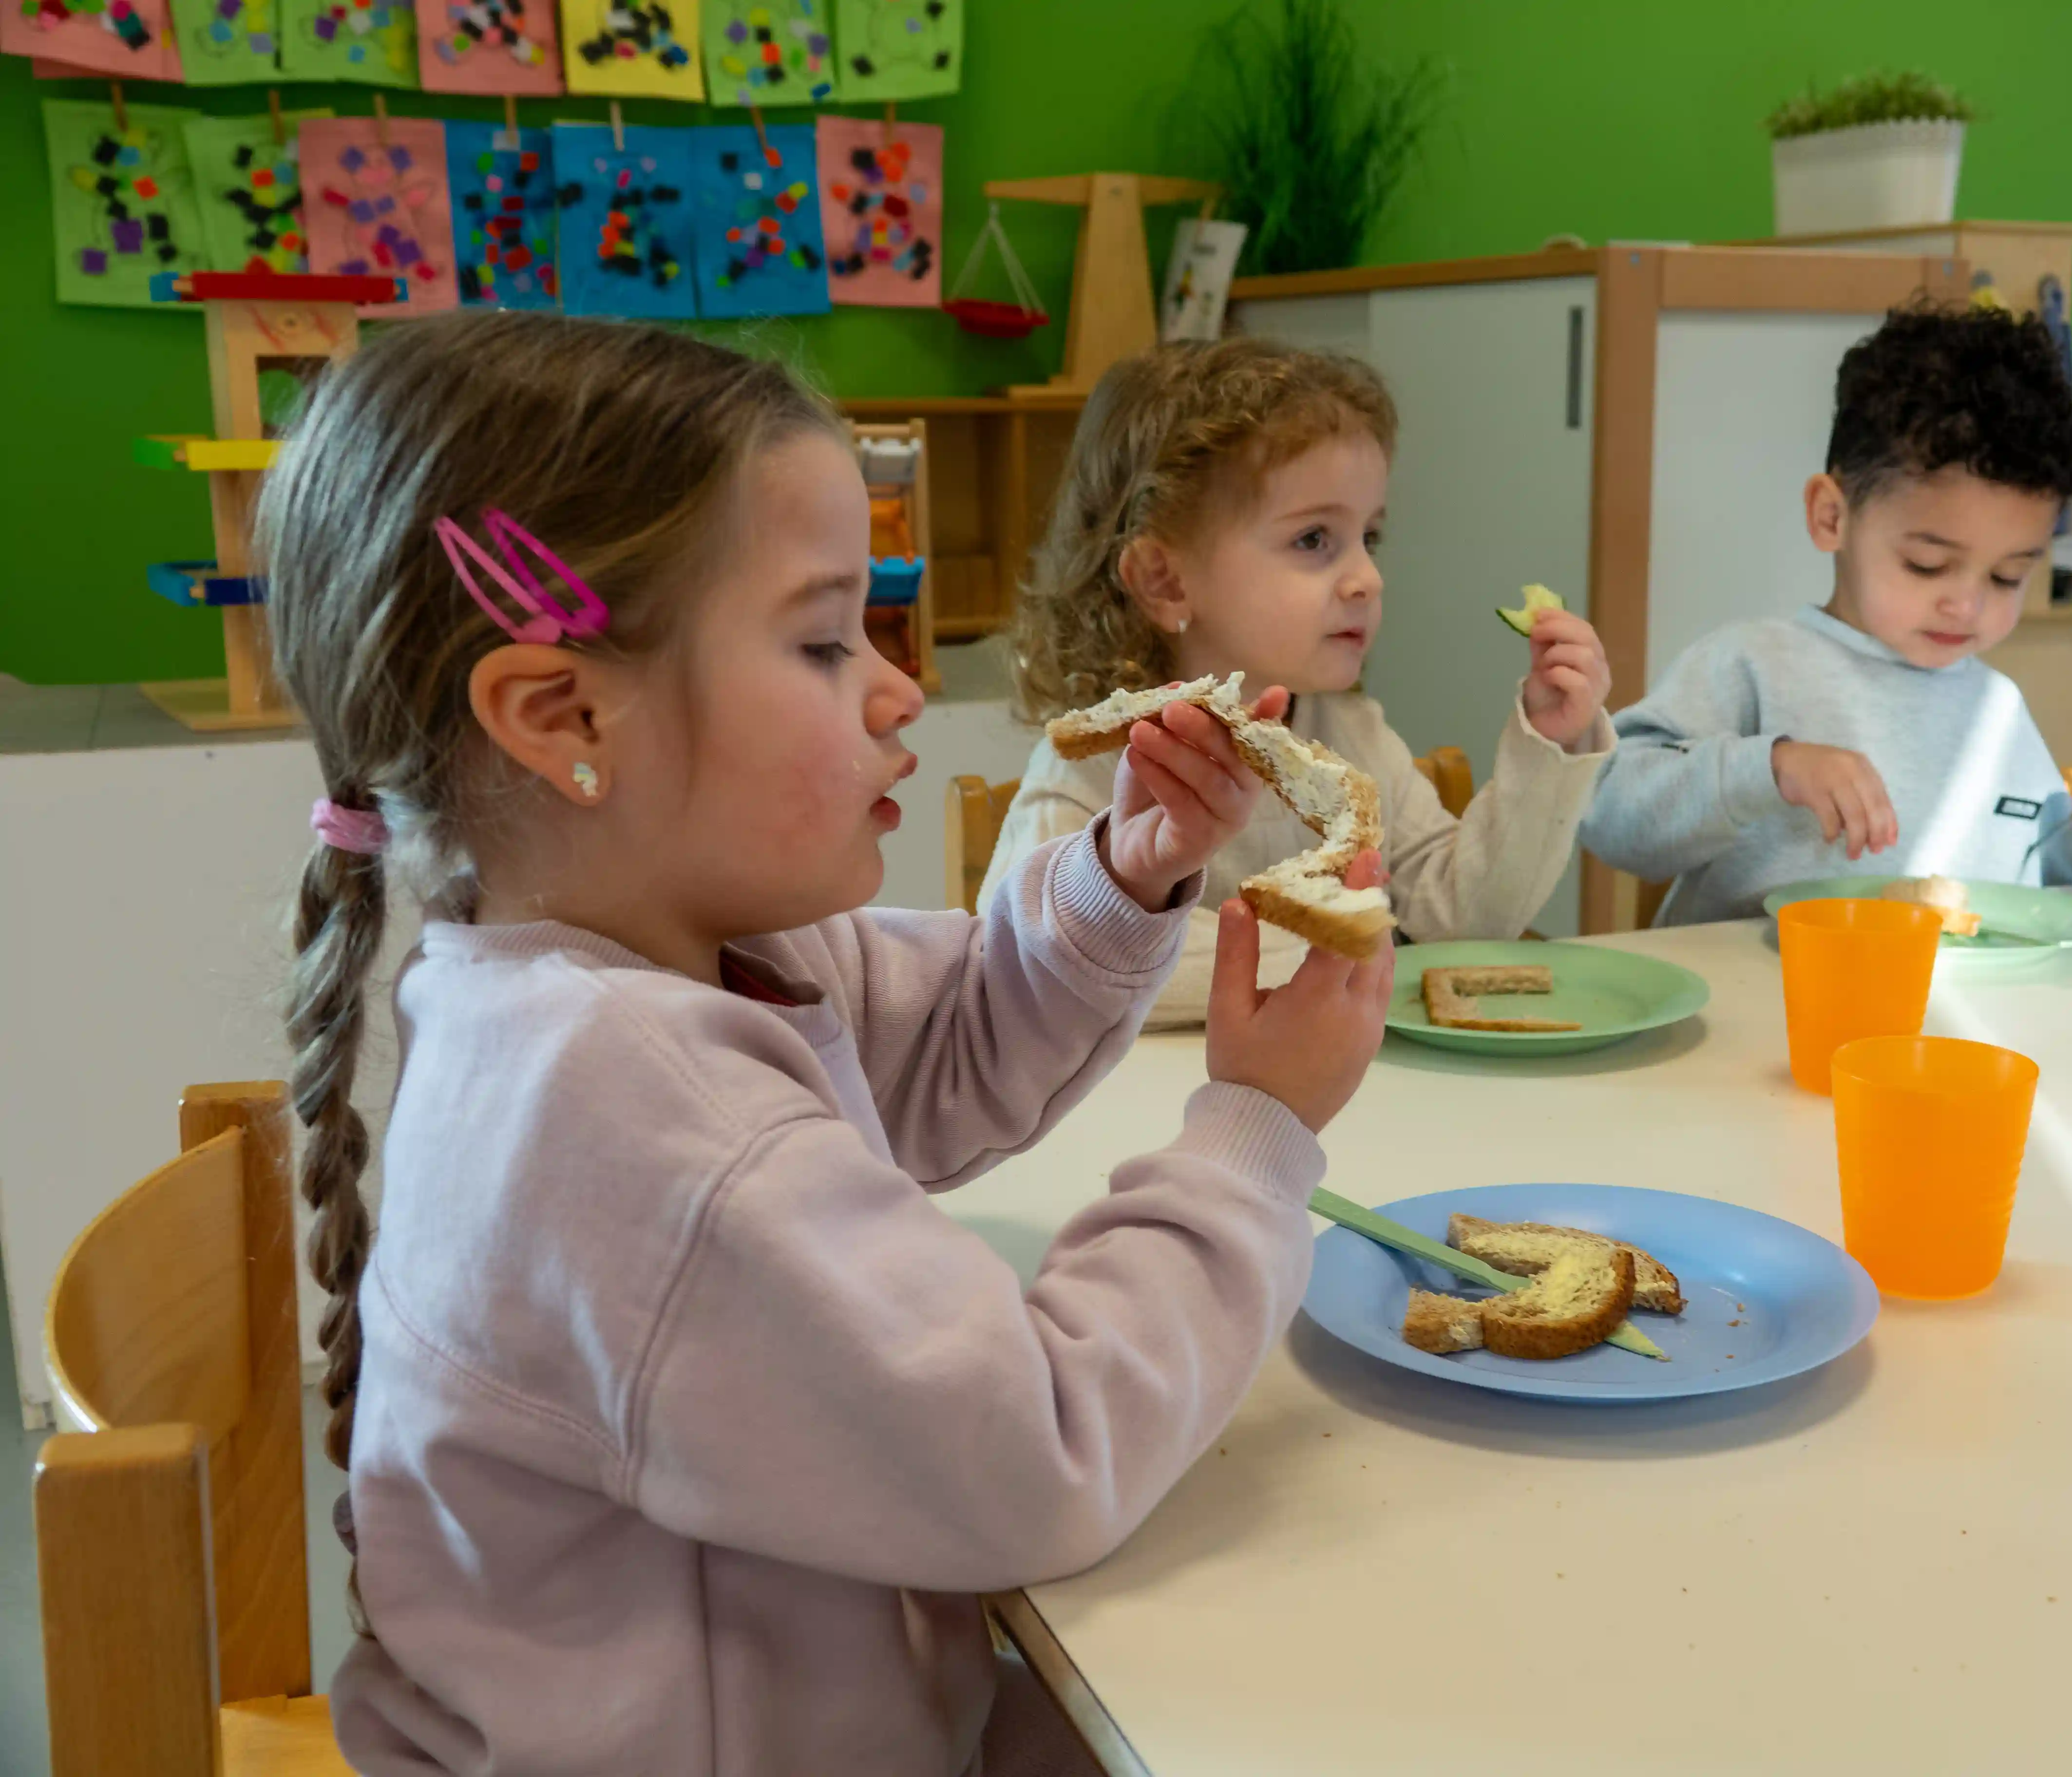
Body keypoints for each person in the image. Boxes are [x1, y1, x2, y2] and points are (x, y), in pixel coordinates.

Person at [259, 309, 1392, 1775]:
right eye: (819, 637)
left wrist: (1125, 875)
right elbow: (1035, 1450)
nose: (898, 686)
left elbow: (952, 1047)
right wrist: (1255, 1135)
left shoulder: (659, 963)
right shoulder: (628, 1107)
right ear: (561, 713)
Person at [987, 336, 1616, 1026]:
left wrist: (1549, 748)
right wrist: (1349, 942)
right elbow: (1041, 955)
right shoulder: (1101, 763)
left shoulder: (1350, 734)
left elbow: (1457, 923)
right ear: (1166, 580)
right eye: (1314, 540)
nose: (1367, 579)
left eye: (1369, 537)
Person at [1581, 301, 2072, 923]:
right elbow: (1612, 818)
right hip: (1770, 1008)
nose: (1967, 604)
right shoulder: (1755, 663)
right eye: (1927, 564)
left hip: (1947, 1017)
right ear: (1832, 516)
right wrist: (1768, 769)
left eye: (2008, 576)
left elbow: (2033, 865)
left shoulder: (1996, 709)